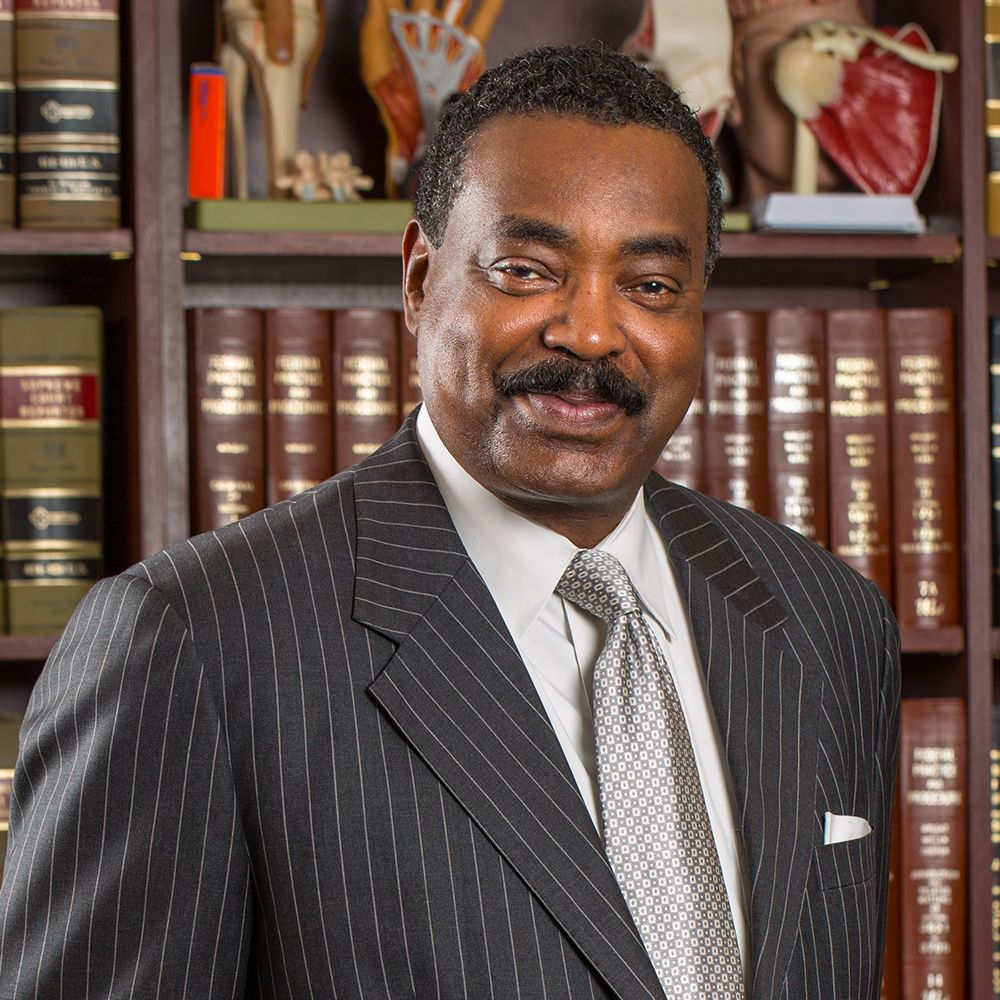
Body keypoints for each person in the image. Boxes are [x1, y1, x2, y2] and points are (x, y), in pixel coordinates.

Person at [0, 43, 898, 1000]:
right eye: (526, 270)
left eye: (649, 287)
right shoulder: (192, 641)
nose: (590, 332)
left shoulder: (827, 620)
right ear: (422, 280)